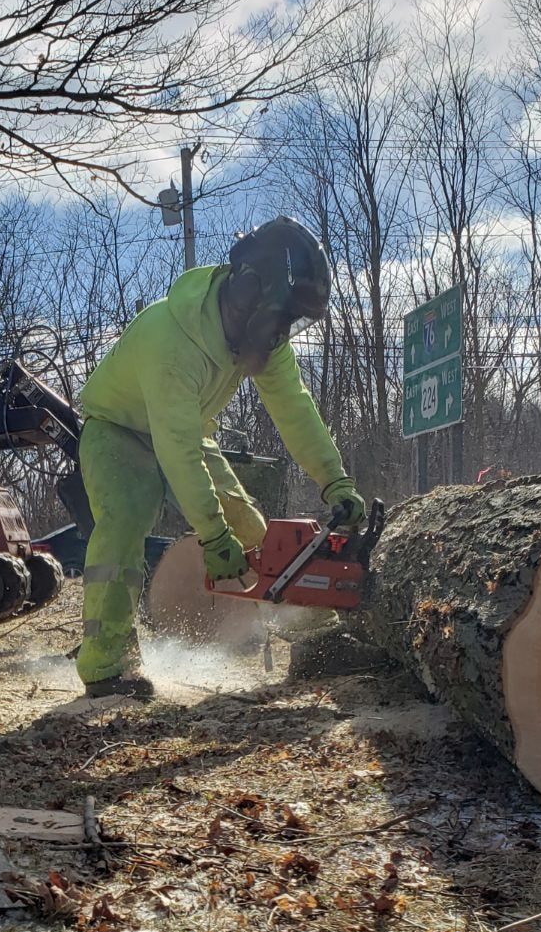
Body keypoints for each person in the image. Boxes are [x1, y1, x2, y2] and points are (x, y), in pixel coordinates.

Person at [74, 217, 366, 698]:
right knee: (127, 516)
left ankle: (317, 641)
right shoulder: (171, 339)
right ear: (251, 293)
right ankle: (106, 665)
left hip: (186, 432)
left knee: (253, 532)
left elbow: (296, 411)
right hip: (117, 430)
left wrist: (335, 481)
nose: (285, 330)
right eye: (285, 316)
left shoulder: (261, 340)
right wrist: (212, 534)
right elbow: (177, 449)